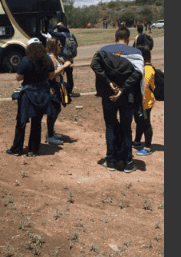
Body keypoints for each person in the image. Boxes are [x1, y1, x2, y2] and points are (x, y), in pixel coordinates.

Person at [91, 28, 143, 173]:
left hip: (109, 96)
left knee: (110, 127)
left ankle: (110, 160)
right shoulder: (135, 53)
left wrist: (108, 82)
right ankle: (128, 162)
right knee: (127, 128)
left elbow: (94, 65)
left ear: (115, 38)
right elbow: (138, 74)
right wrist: (122, 90)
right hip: (127, 97)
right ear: (128, 38)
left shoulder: (104, 51)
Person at [6, 41, 54, 157]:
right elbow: (51, 76)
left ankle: (17, 149)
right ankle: (33, 149)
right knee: (36, 122)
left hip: (28, 94)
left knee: (21, 121)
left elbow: (19, 78)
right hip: (43, 93)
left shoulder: (27, 59)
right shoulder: (47, 59)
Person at [45, 37, 73, 145]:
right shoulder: (50, 58)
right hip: (53, 87)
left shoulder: (56, 57)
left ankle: (51, 132)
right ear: (53, 45)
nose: (61, 47)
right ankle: (50, 136)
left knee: (57, 109)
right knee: (53, 111)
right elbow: (51, 76)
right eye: (59, 45)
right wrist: (64, 67)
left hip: (59, 86)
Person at [132, 45, 156, 157]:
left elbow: (145, 89)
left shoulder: (146, 70)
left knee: (146, 123)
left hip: (145, 103)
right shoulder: (147, 68)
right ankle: (137, 141)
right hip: (141, 102)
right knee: (139, 121)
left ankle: (147, 146)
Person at [47, 22, 79, 97]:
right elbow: (76, 45)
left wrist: (56, 25)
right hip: (70, 57)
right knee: (69, 75)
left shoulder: (61, 35)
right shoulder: (71, 35)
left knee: (59, 74)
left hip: (62, 57)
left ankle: (58, 90)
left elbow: (50, 31)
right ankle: (69, 91)